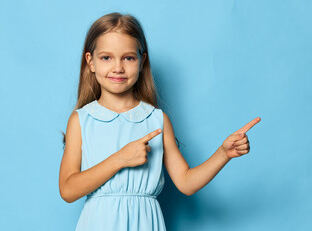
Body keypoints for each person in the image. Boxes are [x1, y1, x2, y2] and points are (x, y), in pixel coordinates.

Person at [58, 12, 261, 231]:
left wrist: (223, 154)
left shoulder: (157, 119)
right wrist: (119, 159)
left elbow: (185, 182)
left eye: (128, 57)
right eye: (106, 57)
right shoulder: (82, 119)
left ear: (142, 60)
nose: (118, 67)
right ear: (91, 62)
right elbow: (68, 190)